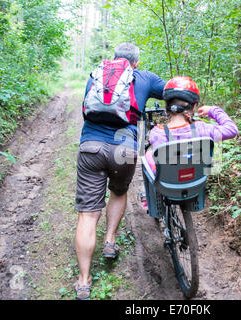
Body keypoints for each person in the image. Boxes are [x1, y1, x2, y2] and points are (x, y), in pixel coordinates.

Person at [74, 43, 166, 300]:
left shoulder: (96, 75)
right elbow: (172, 90)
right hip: (123, 149)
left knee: (88, 215)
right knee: (118, 191)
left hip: (90, 146)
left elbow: (86, 109)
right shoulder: (143, 77)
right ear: (135, 63)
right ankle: (110, 240)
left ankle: (83, 281)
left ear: (113, 60)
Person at [145, 76, 238, 172]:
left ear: (166, 105)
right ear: (194, 106)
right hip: (196, 183)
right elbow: (232, 130)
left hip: (166, 185)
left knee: (149, 154)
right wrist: (213, 110)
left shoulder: (156, 133)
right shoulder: (202, 129)